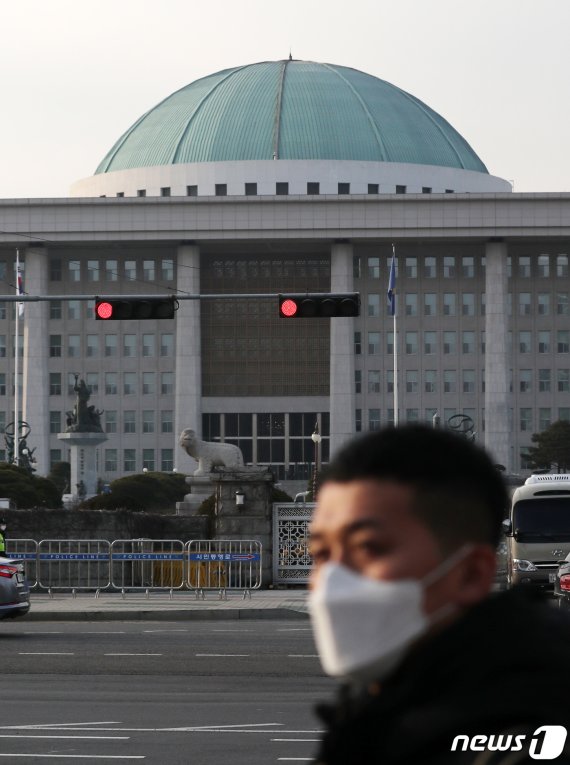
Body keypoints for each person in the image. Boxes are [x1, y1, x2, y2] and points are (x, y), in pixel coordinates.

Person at [308, 425, 570, 765]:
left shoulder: (527, 732)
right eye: (321, 553)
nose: (332, 580)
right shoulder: (378, 705)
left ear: (471, 573)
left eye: (368, 547)